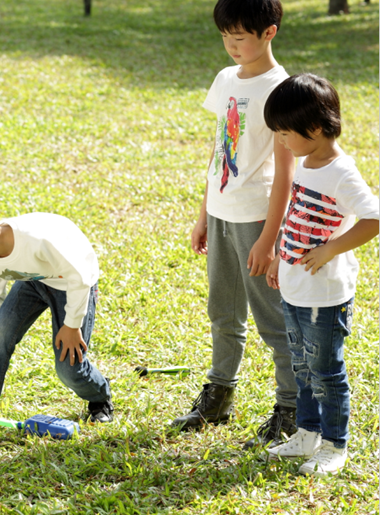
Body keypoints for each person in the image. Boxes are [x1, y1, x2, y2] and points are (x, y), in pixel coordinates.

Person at [171, 0, 300, 450]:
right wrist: (204, 213)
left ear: (270, 32)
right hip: (223, 213)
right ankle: (219, 394)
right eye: (225, 36)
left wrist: (269, 238)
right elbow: (219, 148)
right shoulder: (227, 79)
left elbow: (286, 172)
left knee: (273, 320)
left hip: (258, 217)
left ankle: (291, 408)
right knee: (222, 311)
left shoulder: (280, 89)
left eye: (240, 37)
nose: (231, 46)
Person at [262, 73, 379, 476]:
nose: (280, 140)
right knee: (301, 365)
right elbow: (297, 216)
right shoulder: (306, 161)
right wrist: (280, 254)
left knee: (326, 371)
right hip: (295, 287)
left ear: (313, 128)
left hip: (325, 297)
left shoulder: (341, 172)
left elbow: (374, 217)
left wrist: (331, 248)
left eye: (284, 132)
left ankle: (334, 444)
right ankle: (308, 434)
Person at [0, 193, 113, 444]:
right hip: (33, 282)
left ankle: (100, 395)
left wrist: (71, 326)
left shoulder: (38, 241)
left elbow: (79, 278)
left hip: (72, 283)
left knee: (69, 368)